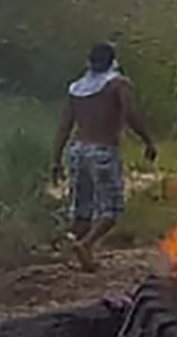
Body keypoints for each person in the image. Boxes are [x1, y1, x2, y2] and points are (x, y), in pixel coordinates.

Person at [51, 43, 157, 271]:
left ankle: (80, 253)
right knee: (112, 209)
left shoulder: (76, 88)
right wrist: (147, 140)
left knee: (82, 208)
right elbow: (129, 113)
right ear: (113, 61)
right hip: (103, 150)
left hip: (77, 150)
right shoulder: (119, 84)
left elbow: (64, 126)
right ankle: (86, 244)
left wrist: (56, 159)